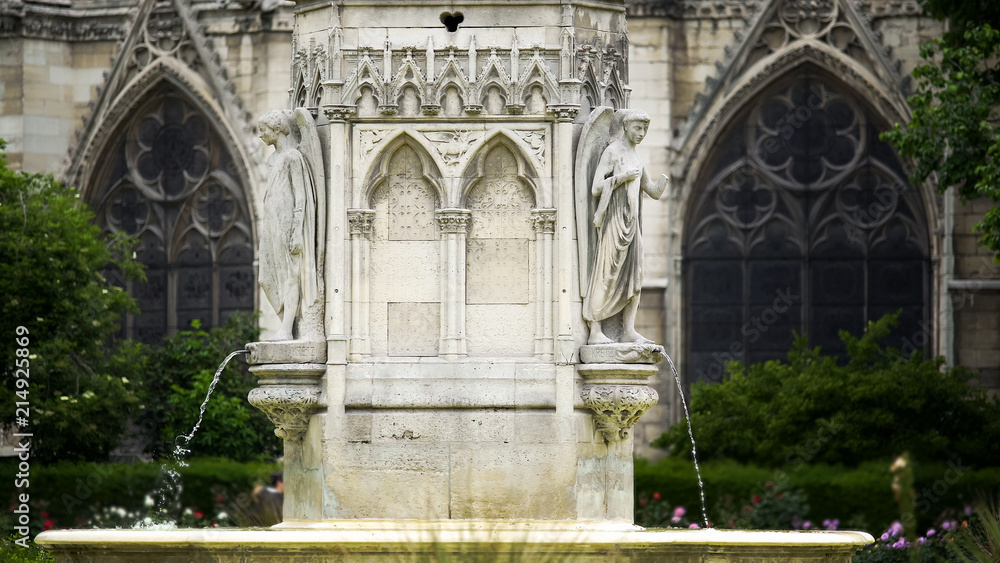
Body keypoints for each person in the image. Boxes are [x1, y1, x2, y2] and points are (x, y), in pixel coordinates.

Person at [583, 109, 668, 345]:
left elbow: (651, 190)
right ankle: (595, 331)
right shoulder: (613, 152)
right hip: (614, 221)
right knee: (606, 274)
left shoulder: (635, 156)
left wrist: (663, 182)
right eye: (637, 128)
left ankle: (628, 330)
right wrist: (621, 178)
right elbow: (596, 187)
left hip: (632, 223)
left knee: (636, 276)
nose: (641, 134)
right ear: (626, 127)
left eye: (645, 130)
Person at [257, 110, 320, 341]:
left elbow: (301, 196)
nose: (261, 135)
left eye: (264, 129)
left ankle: (287, 329)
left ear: (278, 129)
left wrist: (296, 230)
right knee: (266, 277)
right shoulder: (272, 159)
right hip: (273, 222)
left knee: (290, 276)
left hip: (288, 222)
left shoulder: (293, 156)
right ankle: (286, 322)